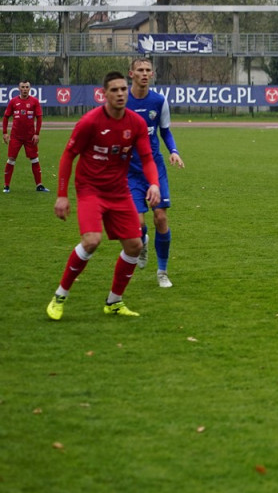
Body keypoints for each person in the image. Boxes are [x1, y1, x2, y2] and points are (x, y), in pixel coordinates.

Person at [45, 71, 161, 321]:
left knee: (135, 246)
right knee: (91, 241)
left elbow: (147, 158)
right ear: (104, 94)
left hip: (119, 191)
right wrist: (62, 195)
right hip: (90, 190)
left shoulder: (136, 123)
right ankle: (60, 296)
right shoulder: (90, 122)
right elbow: (68, 155)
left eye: (123, 89)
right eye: (114, 90)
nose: (120, 94)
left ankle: (114, 301)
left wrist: (154, 183)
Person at [126, 57, 185, 288]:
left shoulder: (159, 101)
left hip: (154, 167)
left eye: (147, 70)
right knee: (138, 225)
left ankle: (162, 272)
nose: (144, 73)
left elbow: (165, 131)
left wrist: (174, 151)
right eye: (139, 70)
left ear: (152, 74)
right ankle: (142, 243)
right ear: (131, 74)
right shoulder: (122, 100)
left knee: (160, 217)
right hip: (130, 170)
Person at [3, 80, 48, 193]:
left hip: (30, 137)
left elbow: (39, 117)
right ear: (19, 88)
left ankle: (39, 185)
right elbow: (6, 117)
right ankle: (6, 186)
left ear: (30, 88)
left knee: (35, 159)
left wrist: (37, 134)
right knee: (11, 159)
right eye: (22, 87)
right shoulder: (13, 101)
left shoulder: (34, 101)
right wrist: (5, 132)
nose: (24, 89)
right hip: (16, 136)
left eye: (27, 87)